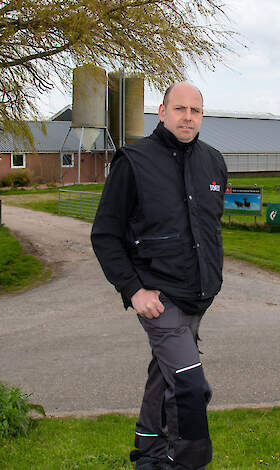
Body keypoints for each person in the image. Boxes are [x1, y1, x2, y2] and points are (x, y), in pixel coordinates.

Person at [91, 82, 227, 470]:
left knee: (163, 377)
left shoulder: (214, 162)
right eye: (180, 109)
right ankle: (186, 463)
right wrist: (133, 291)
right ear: (162, 111)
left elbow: (207, 228)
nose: (188, 117)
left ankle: (148, 454)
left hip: (198, 298)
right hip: (158, 301)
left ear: (202, 116)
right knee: (189, 388)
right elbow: (104, 235)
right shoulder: (133, 162)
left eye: (195, 111)